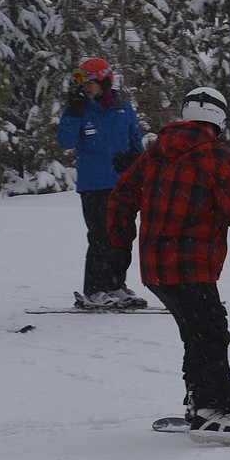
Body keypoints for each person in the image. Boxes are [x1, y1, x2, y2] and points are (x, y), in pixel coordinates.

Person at [108, 87, 230, 440]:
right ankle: (211, 410)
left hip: (156, 268)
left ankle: (200, 399)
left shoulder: (156, 154)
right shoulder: (216, 156)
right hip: (192, 265)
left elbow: (122, 195)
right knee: (211, 333)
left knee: (197, 333)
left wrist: (120, 244)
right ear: (220, 120)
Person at [57, 56, 146, 308]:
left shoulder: (122, 106)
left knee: (121, 236)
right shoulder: (79, 108)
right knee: (100, 237)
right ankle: (95, 289)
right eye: (83, 83)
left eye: (91, 82)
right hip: (94, 185)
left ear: (105, 81)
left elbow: (135, 139)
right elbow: (65, 141)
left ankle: (116, 284)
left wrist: (134, 159)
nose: (86, 88)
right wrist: (73, 115)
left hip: (122, 184)